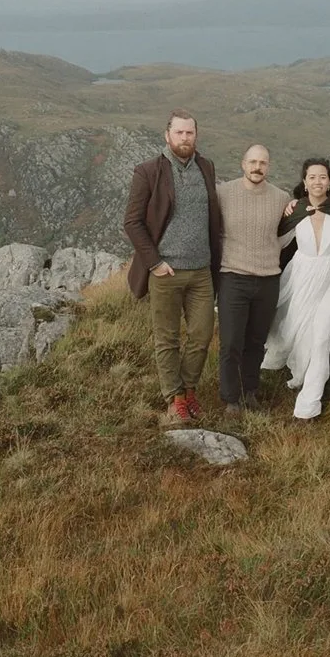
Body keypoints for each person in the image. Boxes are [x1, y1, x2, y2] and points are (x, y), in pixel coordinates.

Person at [122, 109, 222, 427]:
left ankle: (189, 389)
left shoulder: (206, 167)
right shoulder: (148, 171)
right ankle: (175, 399)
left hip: (202, 271)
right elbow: (132, 222)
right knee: (167, 339)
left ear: (196, 136)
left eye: (189, 133)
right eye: (178, 133)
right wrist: (155, 263)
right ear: (167, 135)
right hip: (166, 272)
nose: (184, 138)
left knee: (201, 336)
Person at [261, 158, 330, 420]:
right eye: (312, 177)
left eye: (323, 177)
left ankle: (309, 404)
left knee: (322, 338)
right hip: (302, 276)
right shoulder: (296, 211)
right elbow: (275, 241)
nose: (318, 181)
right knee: (301, 330)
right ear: (304, 182)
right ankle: (302, 373)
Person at [215, 145, 291, 416]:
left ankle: (250, 391)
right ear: (242, 164)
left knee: (257, 341)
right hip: (233, 277)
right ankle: (230, 398)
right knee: (231, 341)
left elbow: (289, 231)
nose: (257, 167)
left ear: (268, 167)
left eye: (263, 163)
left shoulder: (281, 198)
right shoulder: (223, 193)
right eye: (253, 162)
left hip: (268, 280)